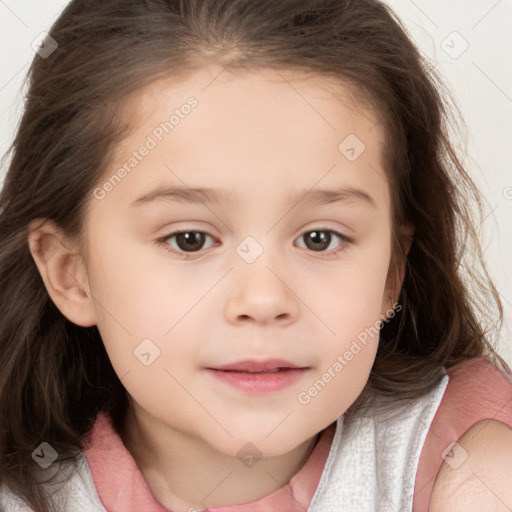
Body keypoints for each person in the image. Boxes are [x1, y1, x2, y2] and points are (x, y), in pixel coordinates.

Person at [0, 0, 511, 511]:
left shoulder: (470, 462)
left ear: (390, 275)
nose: (264, 299)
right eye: (190, 240)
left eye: (320, 238)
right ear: (72, 273)